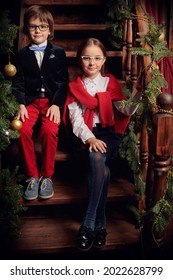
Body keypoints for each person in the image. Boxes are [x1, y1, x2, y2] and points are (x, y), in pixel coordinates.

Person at [63, 37, 142, 251]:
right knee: (100, 167)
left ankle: (87, 224)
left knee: (96, 157)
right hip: (86, 135)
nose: (92, 63)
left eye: (97, 58)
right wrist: (89, 138)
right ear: (80, 60)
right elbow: (75, 118)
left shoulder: (110, 83)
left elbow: (125, 110)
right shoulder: (75, 87)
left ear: (104, 59)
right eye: (87, 58)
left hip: (109, 133)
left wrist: (139, 92)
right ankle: (100, 223)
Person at [12, 5, 69, 201]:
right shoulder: (20, 55)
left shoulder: (58, 52)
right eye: (33, 26)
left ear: (50, 30)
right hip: (29, 102)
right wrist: (20, 104)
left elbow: (63, 83)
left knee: (49, 131)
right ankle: (32, 176)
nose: (37, 31)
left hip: (51, 102)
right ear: (26, 30)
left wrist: (56, 105)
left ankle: (47, 176)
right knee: (22, 130)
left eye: (42, 27)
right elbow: (18, 83)